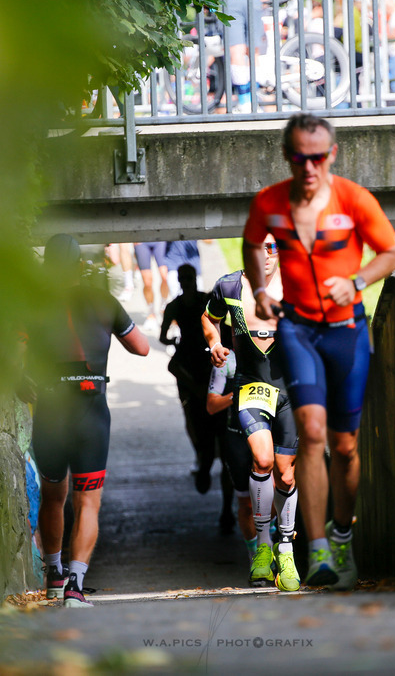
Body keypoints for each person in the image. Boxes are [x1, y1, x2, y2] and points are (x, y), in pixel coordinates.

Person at [242, 114, 395, 590]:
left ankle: (340, 534)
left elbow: (391, 253)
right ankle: (316, 553)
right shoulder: (269, 204)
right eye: (298, 157)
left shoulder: (354, 199)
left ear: (331, 155)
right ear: (287, 157)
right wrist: (259, 290)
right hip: (298, 329)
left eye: (317, 157)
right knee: (311, 431)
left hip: (346, 330)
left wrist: (355, 282)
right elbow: (251, 244)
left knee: (346, 445)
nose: (308, 167)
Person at [25, 234, 149, 607]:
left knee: (53, 497)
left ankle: (53, 575)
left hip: (50, 411)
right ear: (80, 266)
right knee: (88, 502)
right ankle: (76, 587)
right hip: (91, 411)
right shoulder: (102, 301)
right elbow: (142, 347)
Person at [202, 237, 301, 591]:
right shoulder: (228, 286)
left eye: (274, 248)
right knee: (262, 460)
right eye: (260, 248)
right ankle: (263, 546)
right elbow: (208, 317)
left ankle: (286, 549)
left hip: (291, 389)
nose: (268, 255)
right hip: (250, 385)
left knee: (286, 476)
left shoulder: (298, 282)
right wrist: (215, 343)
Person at [159, 264, 223, 496]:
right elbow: (163, 337)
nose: (186, 282)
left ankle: (207, 455)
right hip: (192, 363)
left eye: (188, 277)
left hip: (202, 361)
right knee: (192, 415)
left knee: (207, 414)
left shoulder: (194, 302)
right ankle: (202, 454)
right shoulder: (178, 305)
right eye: (184, 278)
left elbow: (163, 337)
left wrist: (175, 343)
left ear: (193, 279)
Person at [206, 349, 257, 548]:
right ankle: (255, 559)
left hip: (271, 436)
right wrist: (238, 395)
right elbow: (211, 406)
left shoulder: (278, 351)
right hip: (237, 436)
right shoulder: (227, 360)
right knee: (246, 504)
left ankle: (273, 547)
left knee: (273, 500)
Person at [133, 241, 169, 333]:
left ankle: (163, 305)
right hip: (142, 240)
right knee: (147, 282)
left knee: (165, 276)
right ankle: (151, 313)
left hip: (160, 238)